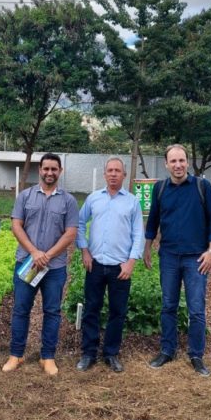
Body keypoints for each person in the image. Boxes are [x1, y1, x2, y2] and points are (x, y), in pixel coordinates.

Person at [144, 144, 211, 377]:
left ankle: (196, 355)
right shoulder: (160, 188)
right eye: (173, 161)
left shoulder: (201, 186)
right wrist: (147, 248)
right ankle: (167, 350)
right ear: (166, 164)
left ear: (187, 162)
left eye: (182, 160)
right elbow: (153, 221)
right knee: (168, 305)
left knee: (196, 309)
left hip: (196, 258)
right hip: (168, 256)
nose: (178, 165)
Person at [3, 153, 78, 376]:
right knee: (21, 310)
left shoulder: (69, 201)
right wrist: (35, 253)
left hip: (54, 268)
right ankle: (16, 355)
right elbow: (16, 226)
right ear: (40, 170)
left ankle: (48, 357)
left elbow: (70, 233)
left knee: (52, 311)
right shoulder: (25, 197)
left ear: (60, 171)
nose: (49, 173)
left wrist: (47, 255)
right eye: (46, 169)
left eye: (54, 169)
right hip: (27, 263)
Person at [75, 157, 144, 373]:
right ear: (105, 174)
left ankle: (111, 353)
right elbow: (79, 222)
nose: (113, 174)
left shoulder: (132, 202)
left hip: (120, 268)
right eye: (110, 170)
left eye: (118, 171)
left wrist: (131, 261)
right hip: (94, 264)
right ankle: (89, 353)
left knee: (117, 311)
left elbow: (138, 233)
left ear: (124, 175)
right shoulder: (94, 198)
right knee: (91, 309)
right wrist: (84, 250)